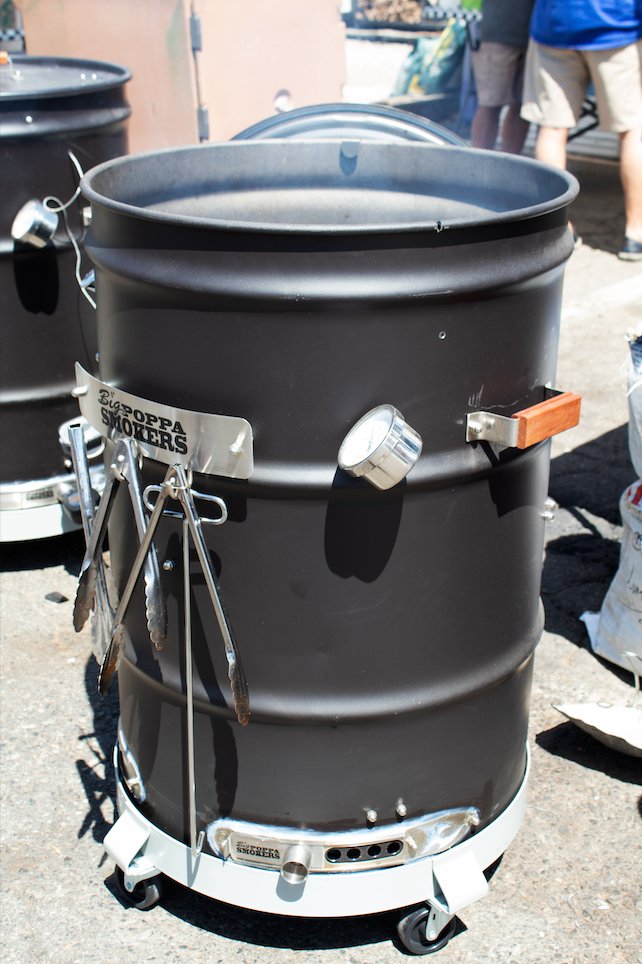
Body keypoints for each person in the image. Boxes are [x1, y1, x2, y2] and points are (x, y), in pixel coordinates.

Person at [521, 0, 642, 261]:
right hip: (617, 26)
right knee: (632, 129)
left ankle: (559, 228)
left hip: (555, 25)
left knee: (552, 129)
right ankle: (636, 233)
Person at [470, 0, 535, 154]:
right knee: (490, 104)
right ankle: (476, 167)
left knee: (522, 106)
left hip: (537, 36)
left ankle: (511, 166)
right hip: (498, 32)